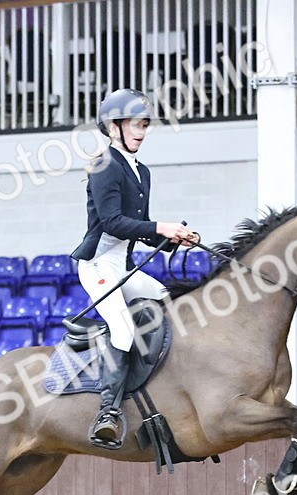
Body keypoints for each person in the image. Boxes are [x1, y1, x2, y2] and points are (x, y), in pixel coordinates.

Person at [70, 88, 197, 450]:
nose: (142, 131)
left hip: (121, 266)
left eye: (144, 124)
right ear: (114, 128)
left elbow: (138, 228)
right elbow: (112, 222)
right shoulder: (103, 166)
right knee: (124, 331)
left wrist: (174, 239)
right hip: (97, 265)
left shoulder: (142, 172)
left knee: (168, 302)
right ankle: (107, 413)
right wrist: (162, 227)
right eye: (135, 124)